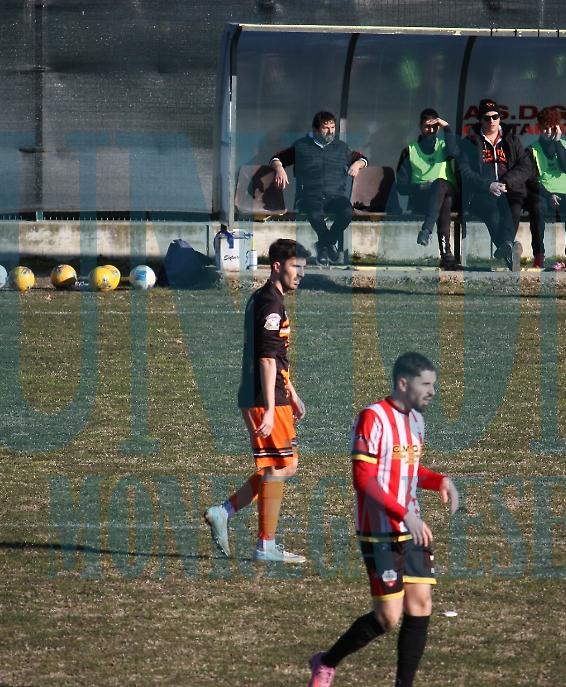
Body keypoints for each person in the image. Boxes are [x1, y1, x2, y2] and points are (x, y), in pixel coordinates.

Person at [306, 352, 460, 687]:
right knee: (388, 617)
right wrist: (404, 515)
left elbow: (409, 470)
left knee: (421, 604)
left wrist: (439, 480)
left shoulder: (417, 421)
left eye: (433, 385)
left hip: (412, 528)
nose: (432, 392)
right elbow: (364, 478)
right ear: (403, 383)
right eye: (425, 384)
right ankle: (326, 662)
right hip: (380, 532)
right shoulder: (372, 418)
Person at [204, 239, 309, 563]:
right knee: (281, 466)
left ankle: (224, 512)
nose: (300, 274)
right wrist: (270, 407)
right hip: (265, 397)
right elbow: (265, 359)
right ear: (277, 266)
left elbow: (274, 355)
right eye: (295, 267)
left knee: (281, 466)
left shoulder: (264, 298)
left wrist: (291, 392)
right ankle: (265, 543)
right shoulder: (271, 305)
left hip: (271, 394)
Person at [271, 111, 368, 265]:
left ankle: (323, 245)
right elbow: (277, 158)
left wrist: (357, 164)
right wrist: (279, 168)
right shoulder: (301, 146)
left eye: (333, 127)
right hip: (309, 196)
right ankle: (328, 245)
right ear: (316, 129)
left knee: (347, 212)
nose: (330, 131)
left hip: (335, 196)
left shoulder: (341, 147)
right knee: (315, 214)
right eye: (325, 128)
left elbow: (362, 158)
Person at [459, 98, 531, 271]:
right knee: (493, 213)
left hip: (509, 189)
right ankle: (511, 247)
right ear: (480, 120)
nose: (491, 120)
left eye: (495, 116)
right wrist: (488, 185)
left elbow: (526, 166)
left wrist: (506, 182)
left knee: (513, 208)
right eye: (487, 117)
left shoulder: (511, 139)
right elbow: (465, 172)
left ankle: (507, 247)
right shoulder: (469, 142)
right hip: (482, 193)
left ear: (500, 117)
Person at [395, 108, 461, 269]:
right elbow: (401, 187)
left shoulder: (444, 146)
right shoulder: (409, 151)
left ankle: (426, 230)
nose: (431, 130)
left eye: (434, 127)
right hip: (422, 199)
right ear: (420, 126)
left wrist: (447, 127)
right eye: (427, 126)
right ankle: (446, 254)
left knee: (440, 184)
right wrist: (422, 186)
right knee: (443, 200)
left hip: (447, 190)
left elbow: (455, 152)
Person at [527, 106, 566, 271]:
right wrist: (548, 195)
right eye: (545, 128)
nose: (548, 132)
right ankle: (539, 256)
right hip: (544, 193)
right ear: (539, 127)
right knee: (536, 208)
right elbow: (530, 179)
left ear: (558, 128)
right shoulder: (532, 149)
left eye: (552, 128)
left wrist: (557, 142)